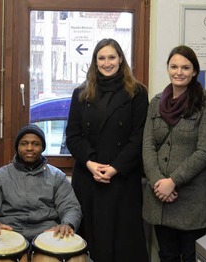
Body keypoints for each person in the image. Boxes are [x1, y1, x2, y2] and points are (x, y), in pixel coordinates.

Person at [65, 38, 149, 262]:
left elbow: (140, 137)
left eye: (112, 57)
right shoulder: (81, 93)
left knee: (124, 246)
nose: (107, 62)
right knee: (90, 243)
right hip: (88, 179)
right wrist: (92, 164)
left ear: (121, 59)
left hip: (122, 180)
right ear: (95, 62)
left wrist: (115, 168)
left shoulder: (137, 93)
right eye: (101, 58)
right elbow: (73, 136)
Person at [142, 45, 206, 262]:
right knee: (166, 256)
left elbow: (205, 152)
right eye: (174, 66)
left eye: (185, 67)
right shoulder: (156, 102)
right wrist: (159, 182)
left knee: (189, 257)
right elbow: (147, 146)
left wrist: (173, 181)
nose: (179, 72)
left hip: (191, 200)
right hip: (159, 199)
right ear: (167, 69)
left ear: (194, 71)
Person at [0, 124, 82, 241]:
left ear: (42, 147)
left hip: (48, 234)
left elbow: (71, 207)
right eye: (24, 143)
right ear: (17, 147)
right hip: (8, 233)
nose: (30, 148)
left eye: (35, 144)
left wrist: (68, 224)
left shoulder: (57, 176)